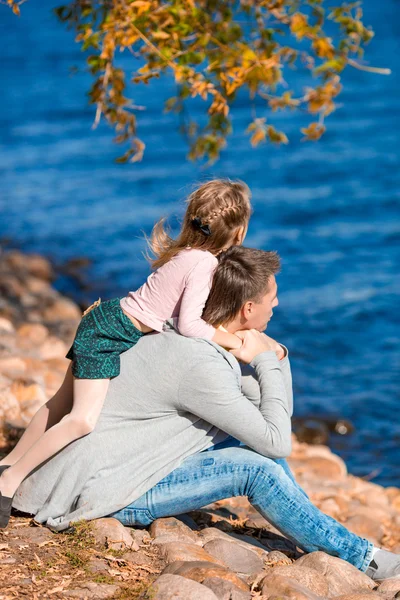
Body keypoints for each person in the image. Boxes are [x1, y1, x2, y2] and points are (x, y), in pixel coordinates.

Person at [11, 246, 400, 580]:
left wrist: (274, 359)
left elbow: (259, 410)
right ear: (248, 308)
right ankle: (361, 558)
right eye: (272, 297)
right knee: (257, 468)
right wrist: (268, 361)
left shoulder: (185, 332)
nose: (277, 304)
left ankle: (312, 527)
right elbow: (277, 435)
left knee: (258, 446)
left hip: (113, 463)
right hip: (103, 489)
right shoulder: (200, 365)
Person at [0, 179, 252, 528]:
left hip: (106, 320)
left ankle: (9, 462)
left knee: (59, 404)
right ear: (238, 233)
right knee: (81, 420)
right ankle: (9, 481)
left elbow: (175, 316)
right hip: (109, 333)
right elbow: (190, 326)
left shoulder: (187, 255)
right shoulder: (204, 264)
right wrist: (235, 342)